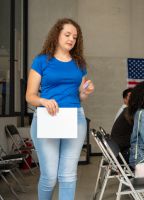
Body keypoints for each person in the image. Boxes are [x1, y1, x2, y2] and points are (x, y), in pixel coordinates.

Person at [26, 18, 94, 200]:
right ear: (56, 35)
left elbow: (80, 95)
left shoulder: (79, 64)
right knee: (49, 177)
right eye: (67, 34)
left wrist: (86, 91)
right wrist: (43, 100)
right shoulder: (41, 61)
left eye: (75, 36)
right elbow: (30, 96)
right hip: (47, 119)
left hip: (75, 118)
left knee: (68, 175)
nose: (71, 39)